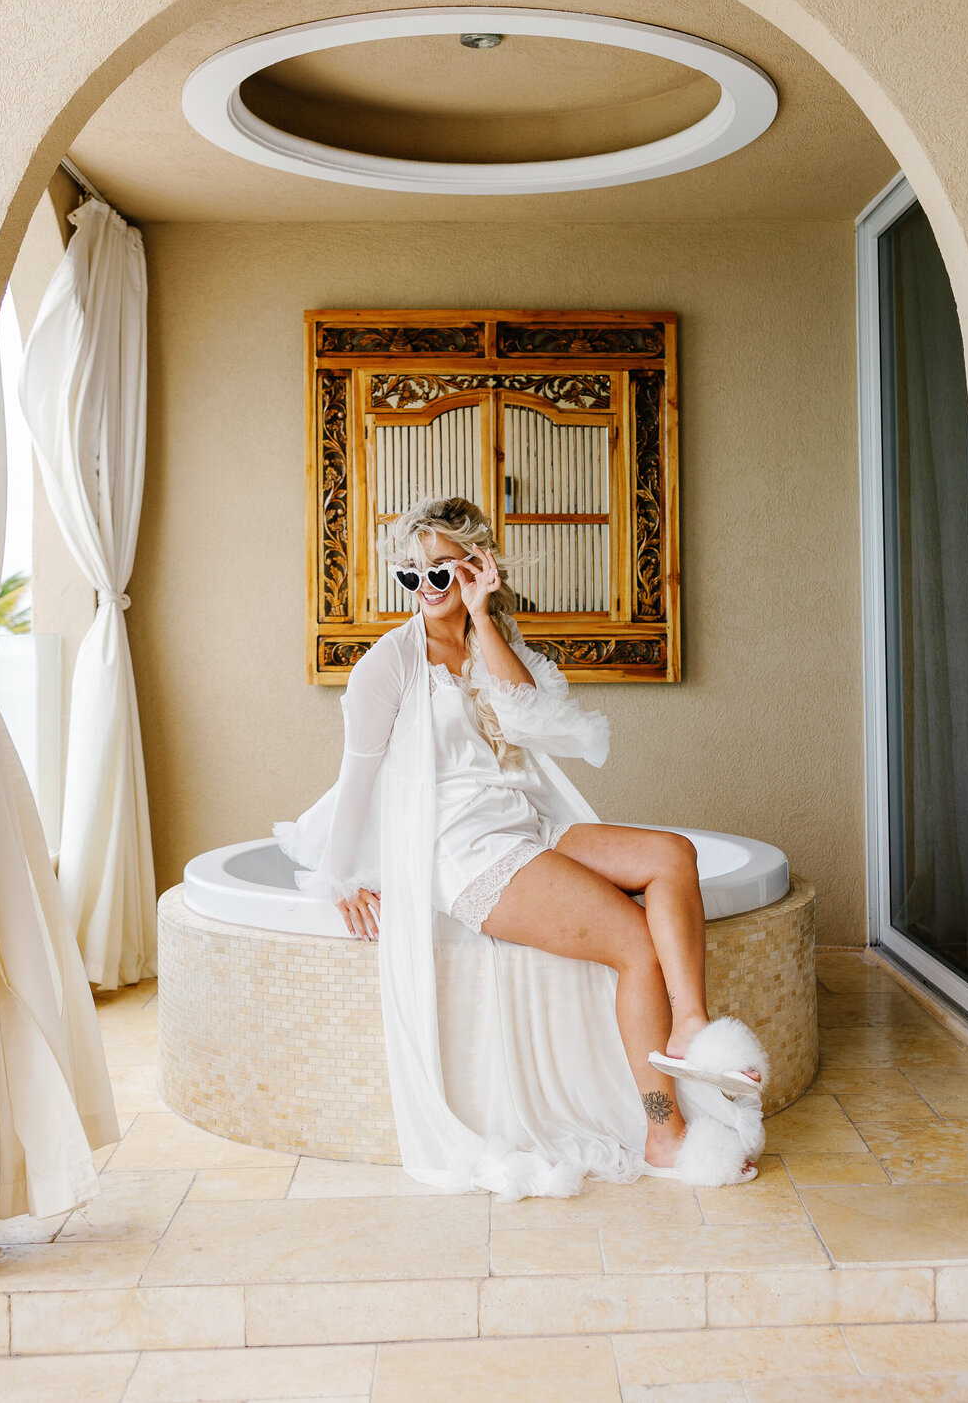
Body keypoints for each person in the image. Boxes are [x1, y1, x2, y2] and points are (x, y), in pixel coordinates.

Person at [275, 495, 767, 1198]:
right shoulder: (386, 666)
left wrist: (481, 616)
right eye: (410, 576)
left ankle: (691, 1025)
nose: (424, 589)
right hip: (466, 850)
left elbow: (533, 718)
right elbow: (356, 782)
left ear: (476, 567)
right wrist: (341, 875)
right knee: (634, 943)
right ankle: (665, 1133)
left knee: (672, 856)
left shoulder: (488, 637)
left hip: (526, 822)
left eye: (439, 572)